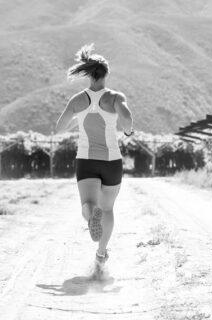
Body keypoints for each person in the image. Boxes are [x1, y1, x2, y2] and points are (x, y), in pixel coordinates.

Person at [55, 43, 134, 265]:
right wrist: (127, 131)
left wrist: (77, 119)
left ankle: (91, 217)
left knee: (88, 204)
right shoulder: (116, 97)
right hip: (111, 161)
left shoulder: (77, 100)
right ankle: (101, 252)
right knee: (107, 208)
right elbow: (127, 119)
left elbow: (59, 128)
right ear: (106, 74)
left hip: (86, 160)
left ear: (88, 75)